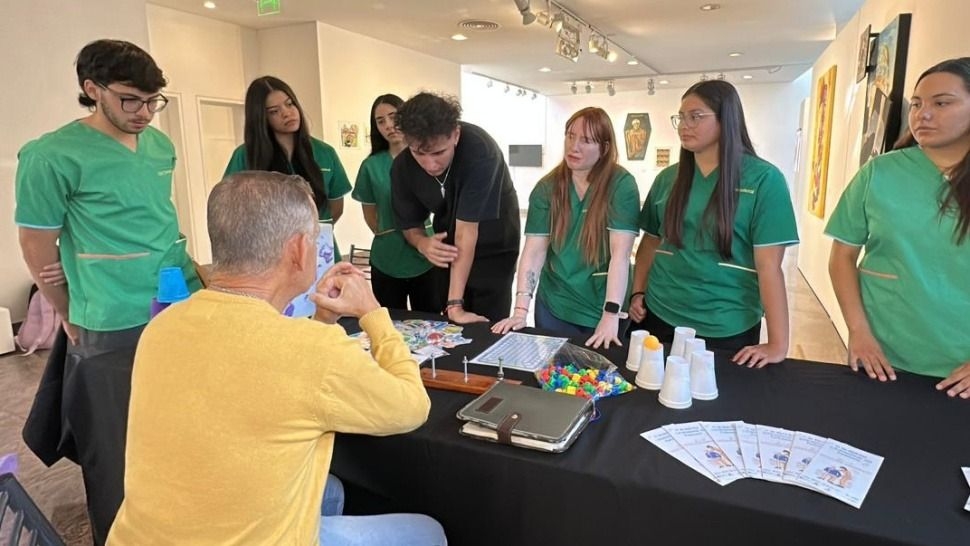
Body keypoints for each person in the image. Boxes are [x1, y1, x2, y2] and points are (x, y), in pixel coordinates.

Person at [107, 171, 446, 545]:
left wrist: (322, 321)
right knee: (428, 533)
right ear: (299, 250)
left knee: (329, 489)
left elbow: (259, 379)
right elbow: (411, 407)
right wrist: (372, 313)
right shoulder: (311, 349)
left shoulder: (163, 325)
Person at [15, 39, 201, 360]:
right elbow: (35, 243)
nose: (144, 113)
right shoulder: (50, 156)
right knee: (120, 391)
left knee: (185, 383)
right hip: (112, 308)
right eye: (130, 100)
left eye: (152, 101)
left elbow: (153, 215)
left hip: (178, 289)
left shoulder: (160, 145)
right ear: (92, 90)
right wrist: (66, 310)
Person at [826, 57, 970, 398]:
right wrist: (858, 331)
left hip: (960, 368)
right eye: (917, 104)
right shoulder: (880, 173)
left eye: (941, 103)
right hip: (883, 356)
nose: (923, 114)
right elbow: (842, 256)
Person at [629, 80, 798, 367]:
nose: (684, 125)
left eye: (695, 116)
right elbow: (651, 241)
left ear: (726, 119)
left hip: (727, 323)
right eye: (681, 117)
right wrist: (638, 291)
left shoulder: (764, 180)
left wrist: (778, 344)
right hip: (661, 311)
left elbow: (769, 266)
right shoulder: (668, 179)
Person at [492, 107, 639, 348]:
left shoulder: (621, 185)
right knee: (554, 367)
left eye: (586, 140)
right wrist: (520, 311)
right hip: (556, 302)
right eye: (570, 136)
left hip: (602, 303)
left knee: (599, 369)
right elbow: (534, 251)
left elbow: (620, 255)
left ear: (604, 148)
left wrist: (611, 315)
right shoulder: (547, 187)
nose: (574, 146)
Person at [392, 92, 520, 323]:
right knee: (449, 322)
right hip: (449, 245)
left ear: (456, 135)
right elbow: (410, 224)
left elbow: (466, 231)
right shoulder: (403, 167)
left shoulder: (480, 150)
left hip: (495, 244)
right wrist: (422, 243)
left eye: (439, 152)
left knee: (486, 320)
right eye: (419, 153)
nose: (430, 164)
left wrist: (455, 305)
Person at [223, 76, 352, 261]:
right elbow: (231, 209)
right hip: (269, 255)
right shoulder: (245, 156)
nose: (287, 113)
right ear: (261, 118)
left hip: (319, 252)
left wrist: (311, 230)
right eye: (274, 111)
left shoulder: (324, 152)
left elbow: (336, 207)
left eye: (289, 104)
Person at [352, 94, 440, 312]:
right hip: (387, 258)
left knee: (432, 322)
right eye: (381, 121)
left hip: (426, 254)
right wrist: (389, 233)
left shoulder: (427, 157)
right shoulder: (371, 166)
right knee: (389, 322)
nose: (389, 126)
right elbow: (370, 215)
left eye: (394, 117)